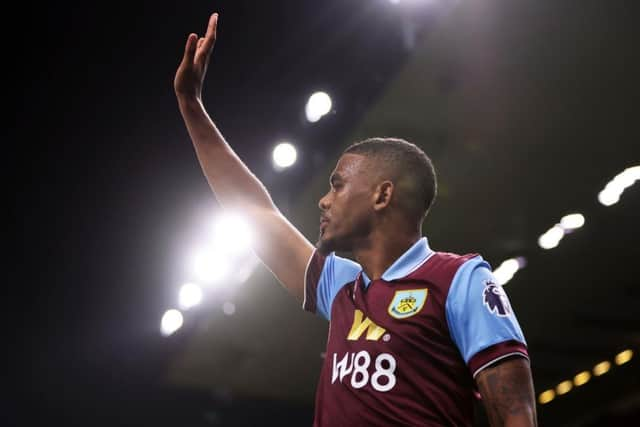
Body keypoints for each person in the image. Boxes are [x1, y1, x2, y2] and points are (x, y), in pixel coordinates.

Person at [174, 12, 537, 427]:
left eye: (338, 185)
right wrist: (191, 106)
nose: (324, 201)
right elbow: (256, 212)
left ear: (383, 195)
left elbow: (515, 413)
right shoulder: (343, 286)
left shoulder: (460, 279)